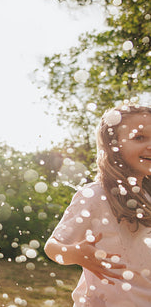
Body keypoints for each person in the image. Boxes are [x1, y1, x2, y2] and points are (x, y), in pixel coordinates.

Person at [44, 104, 151, 306]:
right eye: (139, 137)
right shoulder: (95, 195)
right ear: (113, 146)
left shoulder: (147, 196)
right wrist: (77, 253)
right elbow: (53, 247)